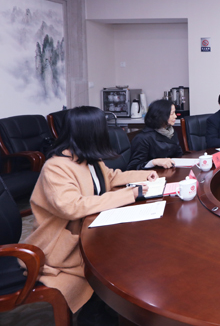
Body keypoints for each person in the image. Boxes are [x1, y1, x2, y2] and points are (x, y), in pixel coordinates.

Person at [24, 106, 157, 325]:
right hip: (62, 244)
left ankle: (115, 309)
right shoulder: (56, 167)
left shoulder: (89, 158)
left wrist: (144, 175)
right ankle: (100, 314)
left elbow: (110, 178)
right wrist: (129, 194)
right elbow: (73, 207)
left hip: (89, 229)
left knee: (133, 246)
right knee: (123, 256)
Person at [127, 99, 183, 170]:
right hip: (151, 174)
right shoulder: (143, 138)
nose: (175, 116)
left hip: (168, 171)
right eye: (172, 114)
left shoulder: (171, 132)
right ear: (161, 116)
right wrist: (154, 162)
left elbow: (179, 155)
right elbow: (133, 168)